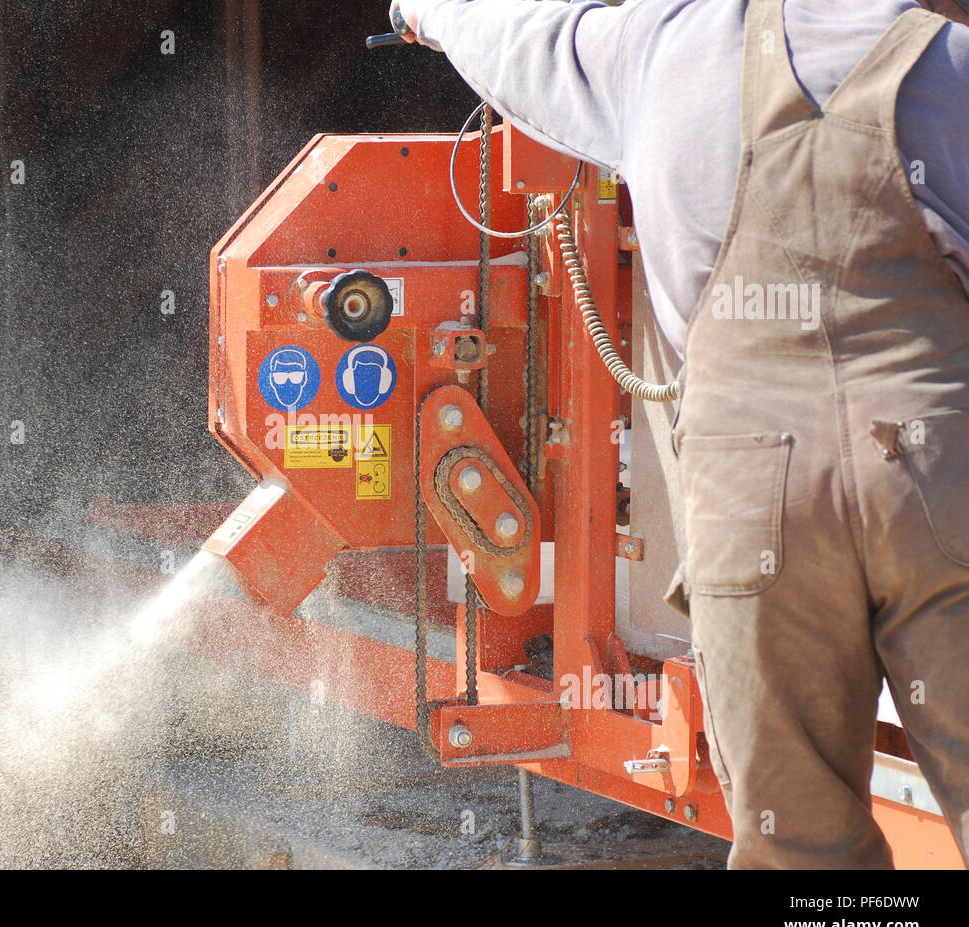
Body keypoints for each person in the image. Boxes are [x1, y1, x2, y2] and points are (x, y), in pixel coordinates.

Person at [391, 0, 969, 869]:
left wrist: (428, 11)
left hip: (754, 498)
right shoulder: (954, 66)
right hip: (937, 471)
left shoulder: (657, 50)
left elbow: (515, 37)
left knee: (801, 851)